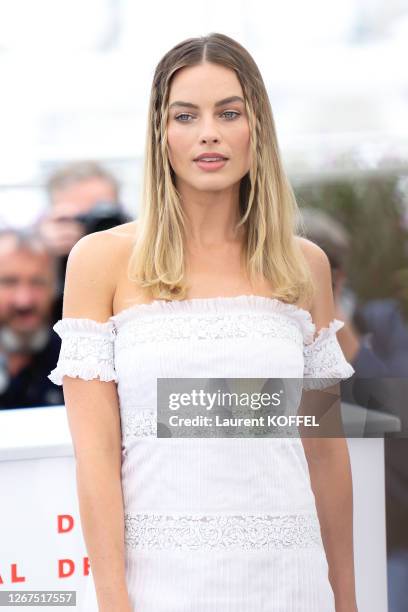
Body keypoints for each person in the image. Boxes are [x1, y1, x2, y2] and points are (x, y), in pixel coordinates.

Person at [48, 33, 358, 612]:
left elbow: (326, 452)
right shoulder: (100, 261)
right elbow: (95, 457)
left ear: (256, 128)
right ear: (160, 133)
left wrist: (347, 600)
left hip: (289, 582)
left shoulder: (303, 266)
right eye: (186, 115)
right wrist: (113, 602)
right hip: (163, 586)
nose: (208, 132)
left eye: (229, 112)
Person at [36, 160, 129, 322]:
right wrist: (41, 254)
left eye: (102, 215)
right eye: (82, 218)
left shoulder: (139, 242)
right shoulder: (41, 250)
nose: (93, 225)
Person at [0, 228, 63, 408]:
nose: (24, 301)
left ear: (55, 288)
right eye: (9, 282)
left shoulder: (75, 363)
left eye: (38, 282)